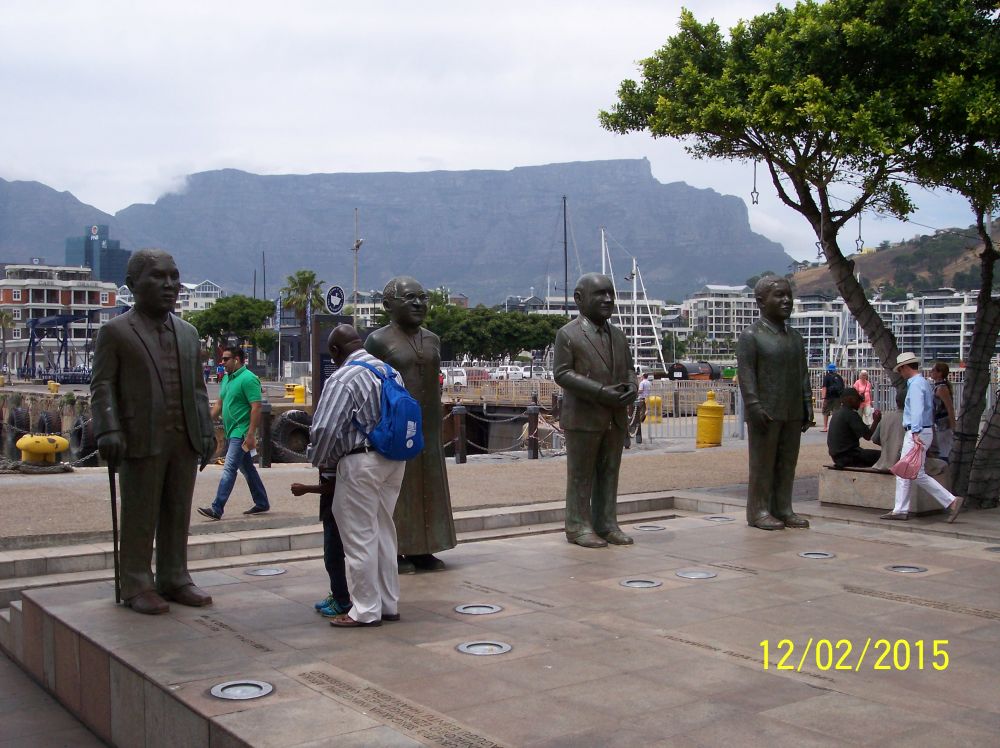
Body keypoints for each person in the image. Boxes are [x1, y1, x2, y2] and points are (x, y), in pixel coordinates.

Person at [91, 249, 215, 615]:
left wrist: (206, 431)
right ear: (133, 284)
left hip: (183, 436)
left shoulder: (188, 334)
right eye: (158, 276)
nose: (170, 284)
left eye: (174, 276)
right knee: (140, 513)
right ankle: (136, 582)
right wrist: (108, 429)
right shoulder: (115, 332)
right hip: (140, 436)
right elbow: (102, 385)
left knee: (178, 510)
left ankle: (174, 576)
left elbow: (198, 389)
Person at [310, 324, 406, 627]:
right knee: (384, 534)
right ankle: (388, 605)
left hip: (360, 463)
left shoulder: (343, 377)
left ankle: (365, 610)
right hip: (394, 460)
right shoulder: (390, 372)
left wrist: (319, 461)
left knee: (359, 538)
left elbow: (325, 428)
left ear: (335, 350)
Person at [365, 277, 456, 573]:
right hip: (394, 424)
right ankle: (394, 550)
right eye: (410, 298)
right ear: (388, 305)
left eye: (423, 297)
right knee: (397, 488)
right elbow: (368, 385)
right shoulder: (377, 341)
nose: (418, 303)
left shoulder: (433, 339)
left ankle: (424, 547)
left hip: (428, 424)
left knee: (428, 484)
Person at [554, 273, 637, 548]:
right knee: (581, 474)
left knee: (610, 471)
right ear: (579, 299)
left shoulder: (619, 336)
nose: (608, 299)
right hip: (583, 416)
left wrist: (632, 387)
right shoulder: (568, 334)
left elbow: (629, 369)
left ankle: (606, 523)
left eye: (611, 293)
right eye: (600, 294)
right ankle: (577, 525)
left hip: (615, 416)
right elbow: (562, 373)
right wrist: (601, 392)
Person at [736, 277, 813, 530]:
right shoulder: (751, 336)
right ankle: (758, 510)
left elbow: (803, 374)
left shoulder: (796, 338)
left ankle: (783, 507)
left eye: (788, 295)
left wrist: (807, 404)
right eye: (779, 295)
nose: (786, 300)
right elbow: (746, 376)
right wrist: (754, 406)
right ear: (761, 301)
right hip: (765, 412)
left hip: (792, 410)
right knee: (762, 464)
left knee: (787, 463)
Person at [881, 352, 963, 522]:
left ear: (905, 367)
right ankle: (904, 508)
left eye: (900, 369)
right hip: (923, 430)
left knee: (907, 471)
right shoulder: (922, 383)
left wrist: (915, 431)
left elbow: (917, 409)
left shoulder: (916, 385)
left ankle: (903, 509)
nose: (900, 373)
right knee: (913, 472)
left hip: (916, 431)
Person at [198, 346, 270, 520]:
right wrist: (205, 423)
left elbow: (256, 407)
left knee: (229, 468)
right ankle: (262, 502)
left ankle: (217, 508)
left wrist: (251, 434)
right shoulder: (226, 379)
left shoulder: (249, 379)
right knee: (247, 468)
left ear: (236, 360)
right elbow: (219, 404)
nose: (222, 362)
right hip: (231, 431)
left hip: (241, 432)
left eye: (225, 359)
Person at [291, 470, 351, 618]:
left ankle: (342, 600)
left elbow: (337, 485)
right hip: (330, 507)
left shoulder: (338, 457)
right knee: (331, 556)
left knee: (333, 556)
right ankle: (337, 595)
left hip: (337, 509)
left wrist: (306, 489)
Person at [826, 387, 882, 468]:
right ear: (850, 399)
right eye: (858, 400)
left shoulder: (838, 413)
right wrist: (876, 421)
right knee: (883, 456)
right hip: (850, 456)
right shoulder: (850, 414)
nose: (859, 403)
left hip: (837, 457)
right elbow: (868, 436)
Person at [929, 361, 956, 462]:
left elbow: (950, 408)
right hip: (939, 423)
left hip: (943, 424)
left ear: (940, 373)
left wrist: (953, 427)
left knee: (943, 450)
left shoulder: (941, 389)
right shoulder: (938, 387)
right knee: (941, 449)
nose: (931, 372)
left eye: (933, 370)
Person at [821, 362, 845, 431]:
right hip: (837, 398)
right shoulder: (839, 377)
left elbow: (824, 388)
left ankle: (825, 427)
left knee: (826, 412)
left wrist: (823, 398)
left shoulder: (827, 377)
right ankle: (835, 427)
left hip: (828, 397)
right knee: (836, 413)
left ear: (828, 369)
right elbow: (842, 387)